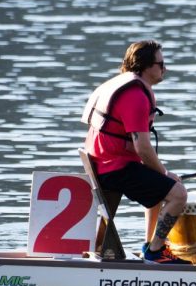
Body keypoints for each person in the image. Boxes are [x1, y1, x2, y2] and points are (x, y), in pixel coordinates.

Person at [81, 39, 190, 264]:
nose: (165, 68)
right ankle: (156, 252)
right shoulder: (136, 96)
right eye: (161, 64)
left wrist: (159, 174)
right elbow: (142, 147)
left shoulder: (123, 83)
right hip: (114, 168)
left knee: (160, 191)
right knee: (178, 193)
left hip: (101, 163)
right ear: (145, 66)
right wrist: (164, 172)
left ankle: (150, 245)